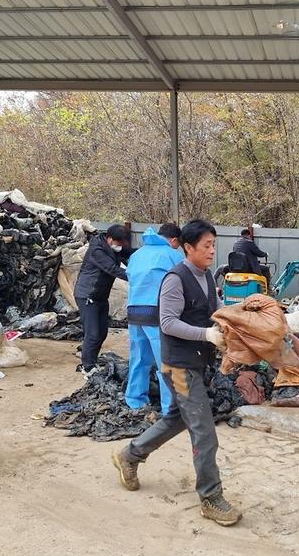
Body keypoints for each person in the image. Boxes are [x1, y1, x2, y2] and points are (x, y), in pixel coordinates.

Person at [112, 219, 242, 527]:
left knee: (176, 418)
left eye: (214, 245)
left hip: (198, 363)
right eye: (206, 245)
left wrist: (237, 321)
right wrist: (206, 335)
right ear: (187, 247)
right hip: (179, 366)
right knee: (204, 431)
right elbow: (168, 323)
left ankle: (129, 456)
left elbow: (217, 310)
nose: (212, 251)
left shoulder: (207, 276)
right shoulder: (175, 278)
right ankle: (211, 498)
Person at [124, 223, 184, 413]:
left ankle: (134, 400)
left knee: (139, 358)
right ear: (174, 240)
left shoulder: (137, 254)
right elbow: (184, 281)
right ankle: (170, 408)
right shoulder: (172, 255)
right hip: (157, 312)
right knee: (166, 361)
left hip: (134, 311)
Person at [74, 224, 135, 374]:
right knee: (93, 333)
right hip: (87, 295)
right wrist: (139, 277)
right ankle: (87, 366)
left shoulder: (115, 247)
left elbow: (132, 254)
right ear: (109, 239)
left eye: (123, 244)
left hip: (101, 296)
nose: (121, 247)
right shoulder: (97, 250)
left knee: (102, 332)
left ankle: (92, 360)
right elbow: (113, 270)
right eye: (118, 243)